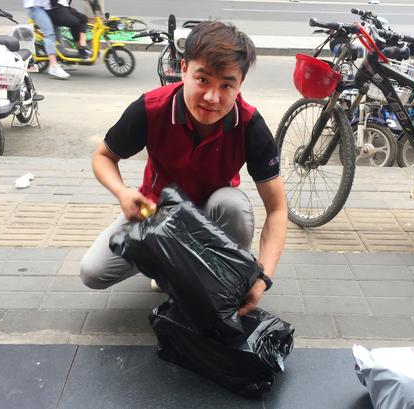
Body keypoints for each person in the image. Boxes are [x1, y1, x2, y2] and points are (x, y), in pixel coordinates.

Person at [80, 21, 288, 316]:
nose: (212, 97)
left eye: (226, 85)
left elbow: (277, 209)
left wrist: (262, 278)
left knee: (233, 204)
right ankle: (169, 268)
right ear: (184, 69)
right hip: (156, 214)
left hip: (212, 218)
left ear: (240, 84)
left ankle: (227, 279)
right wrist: (123, 192)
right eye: (203, 80)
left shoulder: (250, 125)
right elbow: (103, 156)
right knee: (93, 272)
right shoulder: (151, 108)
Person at [23, 0, 69, 79]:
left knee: (57, 27)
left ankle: (60, 57)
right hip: (35, 8)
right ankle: (53, 66)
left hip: (47, 7)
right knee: (49, 34)